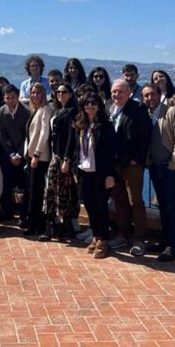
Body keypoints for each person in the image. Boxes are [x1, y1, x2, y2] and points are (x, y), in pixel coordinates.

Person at [141, 83, 175, 261]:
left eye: (152, 94)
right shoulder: (147, 114)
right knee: (162, 205)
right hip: (155, 166)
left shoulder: (172, 112)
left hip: (169, 168)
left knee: (171, 206)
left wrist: (173, 164)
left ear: (159, 95)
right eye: (146, 96)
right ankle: (165, 241)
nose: (149, 98)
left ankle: (173, 247)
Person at [108, 79, 151, 256]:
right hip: (115, 164)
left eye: (120, 91)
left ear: (128, 93)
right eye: (114, 92)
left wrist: (137, 159)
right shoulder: (110, 109)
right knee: (120, 201)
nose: (116, 95)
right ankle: (123, 234)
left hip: (131, 165)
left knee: (136, 202)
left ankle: (139, 238)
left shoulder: (138, 108)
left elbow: (145, 135)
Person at [74, 92, 116, 259]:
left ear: (99, 106)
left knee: (101, 207)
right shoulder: (81, 125)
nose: (90, 106)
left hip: (100, 173)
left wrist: (110, 175)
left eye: (93, 103)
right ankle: (96, 235)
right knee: (90, 206)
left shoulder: (105, 126)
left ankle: (103, 239)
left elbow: (111, 152)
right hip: (84, 171)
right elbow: (77, 150)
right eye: (87, 103)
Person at [41, 83, 78, 241]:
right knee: (52, 191)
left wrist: (66, 159)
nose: (61, 95)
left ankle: (63, 227)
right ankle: (52, 226)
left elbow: (71, 137)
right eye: (58, 92)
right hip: (54, 155)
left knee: (62, 192)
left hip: (62, 158)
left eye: (64, 92)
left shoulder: (72, 112)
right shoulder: (57, 110)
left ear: (70, 94)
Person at [0, 84, 30, 221]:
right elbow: (1, 135)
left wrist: (19, 154)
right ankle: (7, 211)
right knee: (5, 183)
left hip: (24, 154)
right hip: (8, 154)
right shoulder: (1, 112)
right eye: (7, 98)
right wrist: (11, 154)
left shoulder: (26, 111)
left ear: (17, 97)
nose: (10, 100)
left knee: (26, 185)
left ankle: (24, 215)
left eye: (13, 97)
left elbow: (28, 136)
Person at [22, 82, 52, 237]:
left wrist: (36, 154)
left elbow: (44, 133)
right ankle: (33, 220)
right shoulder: (35, 110)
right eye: (33, 93)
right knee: (31, 189)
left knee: (36, 191)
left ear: (43, 94)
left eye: (38, 92)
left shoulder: (46, 109)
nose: (35, 95)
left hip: (39, 157)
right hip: (31, 155)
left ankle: (35, 224)